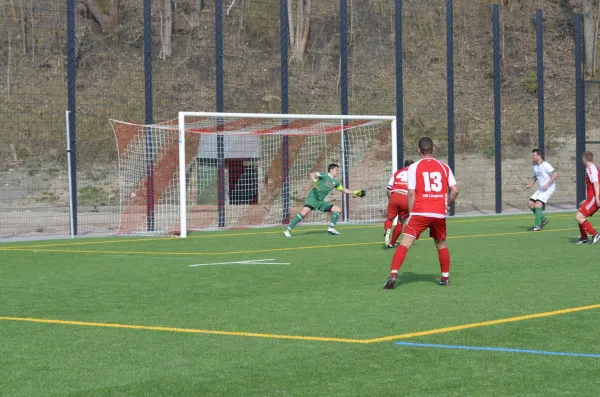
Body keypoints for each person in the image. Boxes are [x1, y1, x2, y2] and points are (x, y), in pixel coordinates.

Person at [383, 137, 459, 289]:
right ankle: (445, 277)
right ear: (434, 149)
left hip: (420, 212)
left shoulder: (414, 167)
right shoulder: (444, 167)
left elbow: (411, 193)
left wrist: (412, 213)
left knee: (405, 243)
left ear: (419, 150)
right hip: (438, 213)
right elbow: (455, 190)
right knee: (441, 244)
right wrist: (446, 203)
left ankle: (393, 275)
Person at [283, 163, 366, 237]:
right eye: (336, 170)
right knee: (304, 213)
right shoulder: (324, 175)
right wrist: (314, 180)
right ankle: (287, 230)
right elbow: (312, 174)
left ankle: (331, 228)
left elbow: (344, 190)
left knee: (338, 209)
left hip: (320, 201)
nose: (338, 171)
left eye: (338, 170)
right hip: (313, 197)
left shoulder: (335, 182)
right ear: (331, 170)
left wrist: (355, 192)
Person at [384, 159, 414, 248]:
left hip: (395, 195)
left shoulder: (398, 173)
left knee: (389, 219)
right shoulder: (414, 174)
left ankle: (387, 230)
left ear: (404, 166)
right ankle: (392, 243)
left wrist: (391, 199)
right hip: (405, 197)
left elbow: (388, 189)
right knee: (401, 221)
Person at [524, 148, 557, 231]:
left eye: (534, 155)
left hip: (549, 188)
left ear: (539, 156)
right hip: (541, 188)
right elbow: (535, 176)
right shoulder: (535, 166)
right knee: (530, 204)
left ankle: (537, 226)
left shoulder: (545, 165)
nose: (533, 157)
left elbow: (555, 174)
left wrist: (547, 185)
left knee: (538, 204)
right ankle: (544, 220)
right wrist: (530, 185)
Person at [575, 151, 600, 244]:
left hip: (594, 198)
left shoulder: (590, 169)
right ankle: (584, 238)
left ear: (584, 159)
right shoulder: (592, 168)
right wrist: (586, 199)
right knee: (580, 214)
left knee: (579, 216)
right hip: (592, 197)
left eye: (582, 158)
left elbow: (596, 183)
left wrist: (596, 198)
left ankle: (595, 234)